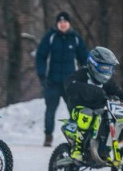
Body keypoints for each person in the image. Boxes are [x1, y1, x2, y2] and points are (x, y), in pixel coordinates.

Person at [64, 46, 123, 162]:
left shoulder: (107, 82)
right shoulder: (81, 74)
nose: (107, 71)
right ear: (93, 64)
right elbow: (70, 85)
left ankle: (105, 149)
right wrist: (92, 91)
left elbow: (117, 92)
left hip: (98, 110)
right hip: (78, 109)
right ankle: (77, 148)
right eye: (104, 68)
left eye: (109, 68)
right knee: (87, 113)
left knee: (110, 118)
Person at [35, 11, 88, 147]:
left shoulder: (75, 38)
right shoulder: (51, 37)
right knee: (50, 110)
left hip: (70, 82)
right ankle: (48, 136)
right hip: (52, 82)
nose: (63, 24)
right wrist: (42, 75)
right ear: (57, 24)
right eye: (60, 22)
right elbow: (40, 56)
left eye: (65, 22)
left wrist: (85, 75)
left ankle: (74, 136)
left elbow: (84, 58)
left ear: (69, 24)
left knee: (74, 110)